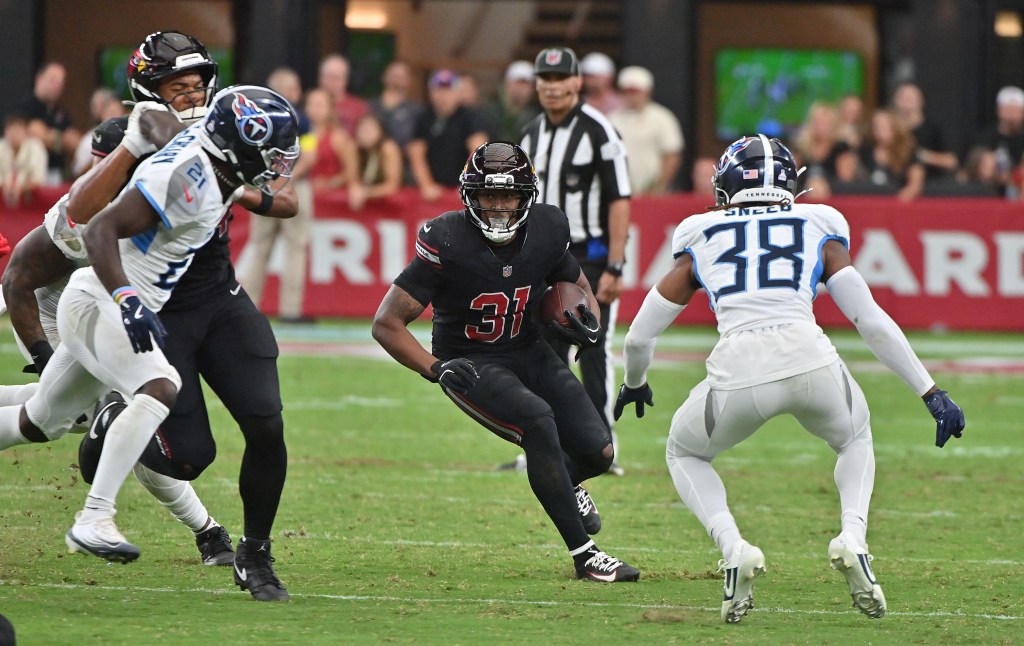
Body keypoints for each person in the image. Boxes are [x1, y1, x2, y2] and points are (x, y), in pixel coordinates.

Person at [615, 134, 966, 623]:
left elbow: (637, 338)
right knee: (855, 439)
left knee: (685, 452)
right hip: (809, 359)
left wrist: (635, 381)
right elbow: (870, 319)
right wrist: (930, 392)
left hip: (738, 369)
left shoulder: (701, 232)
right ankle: (852, 536)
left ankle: (734, 548)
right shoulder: (818, 221)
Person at [0, 80, 299, 609]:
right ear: (238, 147)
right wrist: (127, 297)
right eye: (269, 154)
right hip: (100, 303)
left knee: (39, 421)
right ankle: (94, 518)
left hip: (113, 304)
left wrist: (148, 129)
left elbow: (170, 131)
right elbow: (98, 230)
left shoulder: (216, 166)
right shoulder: (190, 179)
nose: (276, 164)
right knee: (161, 385)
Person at [372, 141, 640, 583]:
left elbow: (576, 283)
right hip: (470, 360)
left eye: (509, 195)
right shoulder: (447, 239)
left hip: (528, 349)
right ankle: (585, 555)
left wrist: (586, 323)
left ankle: (566, 485)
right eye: (489, 195)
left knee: (599, 450)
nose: (499, 206)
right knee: (538, 422)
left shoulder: (548, 228)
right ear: (470, 196)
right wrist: (434, 367)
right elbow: (387, 323)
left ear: (526, 196)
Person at [519, 47, 631, 475]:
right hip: (542, 255)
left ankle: (603, 448)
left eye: (560, 78)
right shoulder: (530, 134)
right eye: (544, 79)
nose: (552, 87)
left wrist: (616, 265)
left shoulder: (600, 131)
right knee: (540, 352)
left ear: (577, 82)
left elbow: (620, 199)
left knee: (594, 346)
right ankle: (543, 444)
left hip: (590, 254)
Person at [237, 72, 322, 324]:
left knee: (259, 247)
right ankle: (290, 310)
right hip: (294, 186)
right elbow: (309, 155)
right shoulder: (301, 119)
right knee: (295, 248)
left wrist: (267, 179)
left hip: (262, 185)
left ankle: (248, 306)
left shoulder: (256, 119)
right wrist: (288, 178)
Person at [407, 69, 487, 202]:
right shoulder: (424, 117)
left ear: (457, 93)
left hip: (459, 186)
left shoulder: (470, 117)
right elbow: (416, 153)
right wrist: (427, 185)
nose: (443, 95)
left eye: (448, 90)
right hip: (434, 188)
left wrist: (469, 183)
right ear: (430, 93)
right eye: (438, 90)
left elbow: (478, 152)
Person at [608, 65, 684, 195]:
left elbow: (672, 154)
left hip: (656, 192)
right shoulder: (612, 119)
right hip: (621, 190)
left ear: (647, 92)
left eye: (635, 92)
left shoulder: (662, 117)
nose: (632, 97)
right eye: (627, 92)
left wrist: (658, 185)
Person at [17, 61, 81, 184]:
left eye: (61, 82)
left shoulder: (61, 112)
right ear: (39, 78)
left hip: (57, 174)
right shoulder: (26, 108)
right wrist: (62, 140)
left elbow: (75, 142)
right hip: (31, 176)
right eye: (52, 80)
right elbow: (38, 136)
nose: (57, 86)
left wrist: (53, 138)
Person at [891, 81, 959, 181]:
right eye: (902, 99)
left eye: (910, 99)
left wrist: (922, 156)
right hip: (893, 185)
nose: (906, 104)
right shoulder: (891, 128)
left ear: (920, 101)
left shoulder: (933, 129)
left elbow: (951, 161)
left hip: (931, 186)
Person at [370, 60, 423, 185]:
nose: (396, 80)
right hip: (372, 171)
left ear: (409, 81)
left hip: (405, 176)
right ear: (384, 77)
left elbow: (417, 146)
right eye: (393, 75)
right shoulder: (369, 107)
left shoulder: (417, 112)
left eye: (401, 77)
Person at [973, 85, 1024, 198]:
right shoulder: (987, 138)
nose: (1011, 115)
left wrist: (1012, 178)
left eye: (1015, 110)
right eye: (1007, 110)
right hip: (989, 189)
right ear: (999, 111)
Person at [350, 112, 403, 210]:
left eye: (370, 130)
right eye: (362, 130)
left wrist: (366, 193)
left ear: (380, 131)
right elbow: (353, 179)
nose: (365, 134)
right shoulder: (356, 149)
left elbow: (392, 185)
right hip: (370, 200)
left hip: (391, 204)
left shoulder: (388, 149)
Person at [0, 113, 48, 208]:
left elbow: (38, 178)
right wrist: (5, 186)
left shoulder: (36, 147)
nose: (13, 134)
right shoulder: (1, 146)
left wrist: (20, 188)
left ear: (25, 131)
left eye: (17, 130)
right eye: (10, 130)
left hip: (32, 202)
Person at [318, 54, 371, 137]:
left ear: (345, 80)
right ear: (320, 79)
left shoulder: (358, 107)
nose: (331, 82)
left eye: (336, 77)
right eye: (328, 77)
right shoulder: (310, 104)